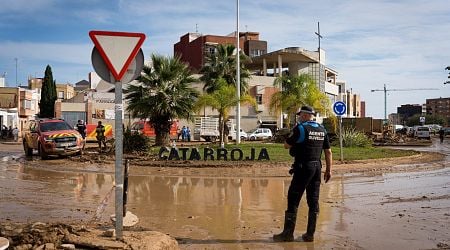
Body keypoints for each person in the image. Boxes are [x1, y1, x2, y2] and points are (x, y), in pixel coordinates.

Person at [273, 105, 332, 242]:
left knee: (293, 198)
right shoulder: (322, 130)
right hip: (317, 167)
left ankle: (287, 234)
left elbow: (286, 145)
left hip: (303, 167)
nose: (299, 117)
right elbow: (328, 152)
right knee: (313, 200)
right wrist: (329, 170)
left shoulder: (300, 128)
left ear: (305, 115)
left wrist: (294, 144)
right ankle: (310, 235)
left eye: (300, 115)